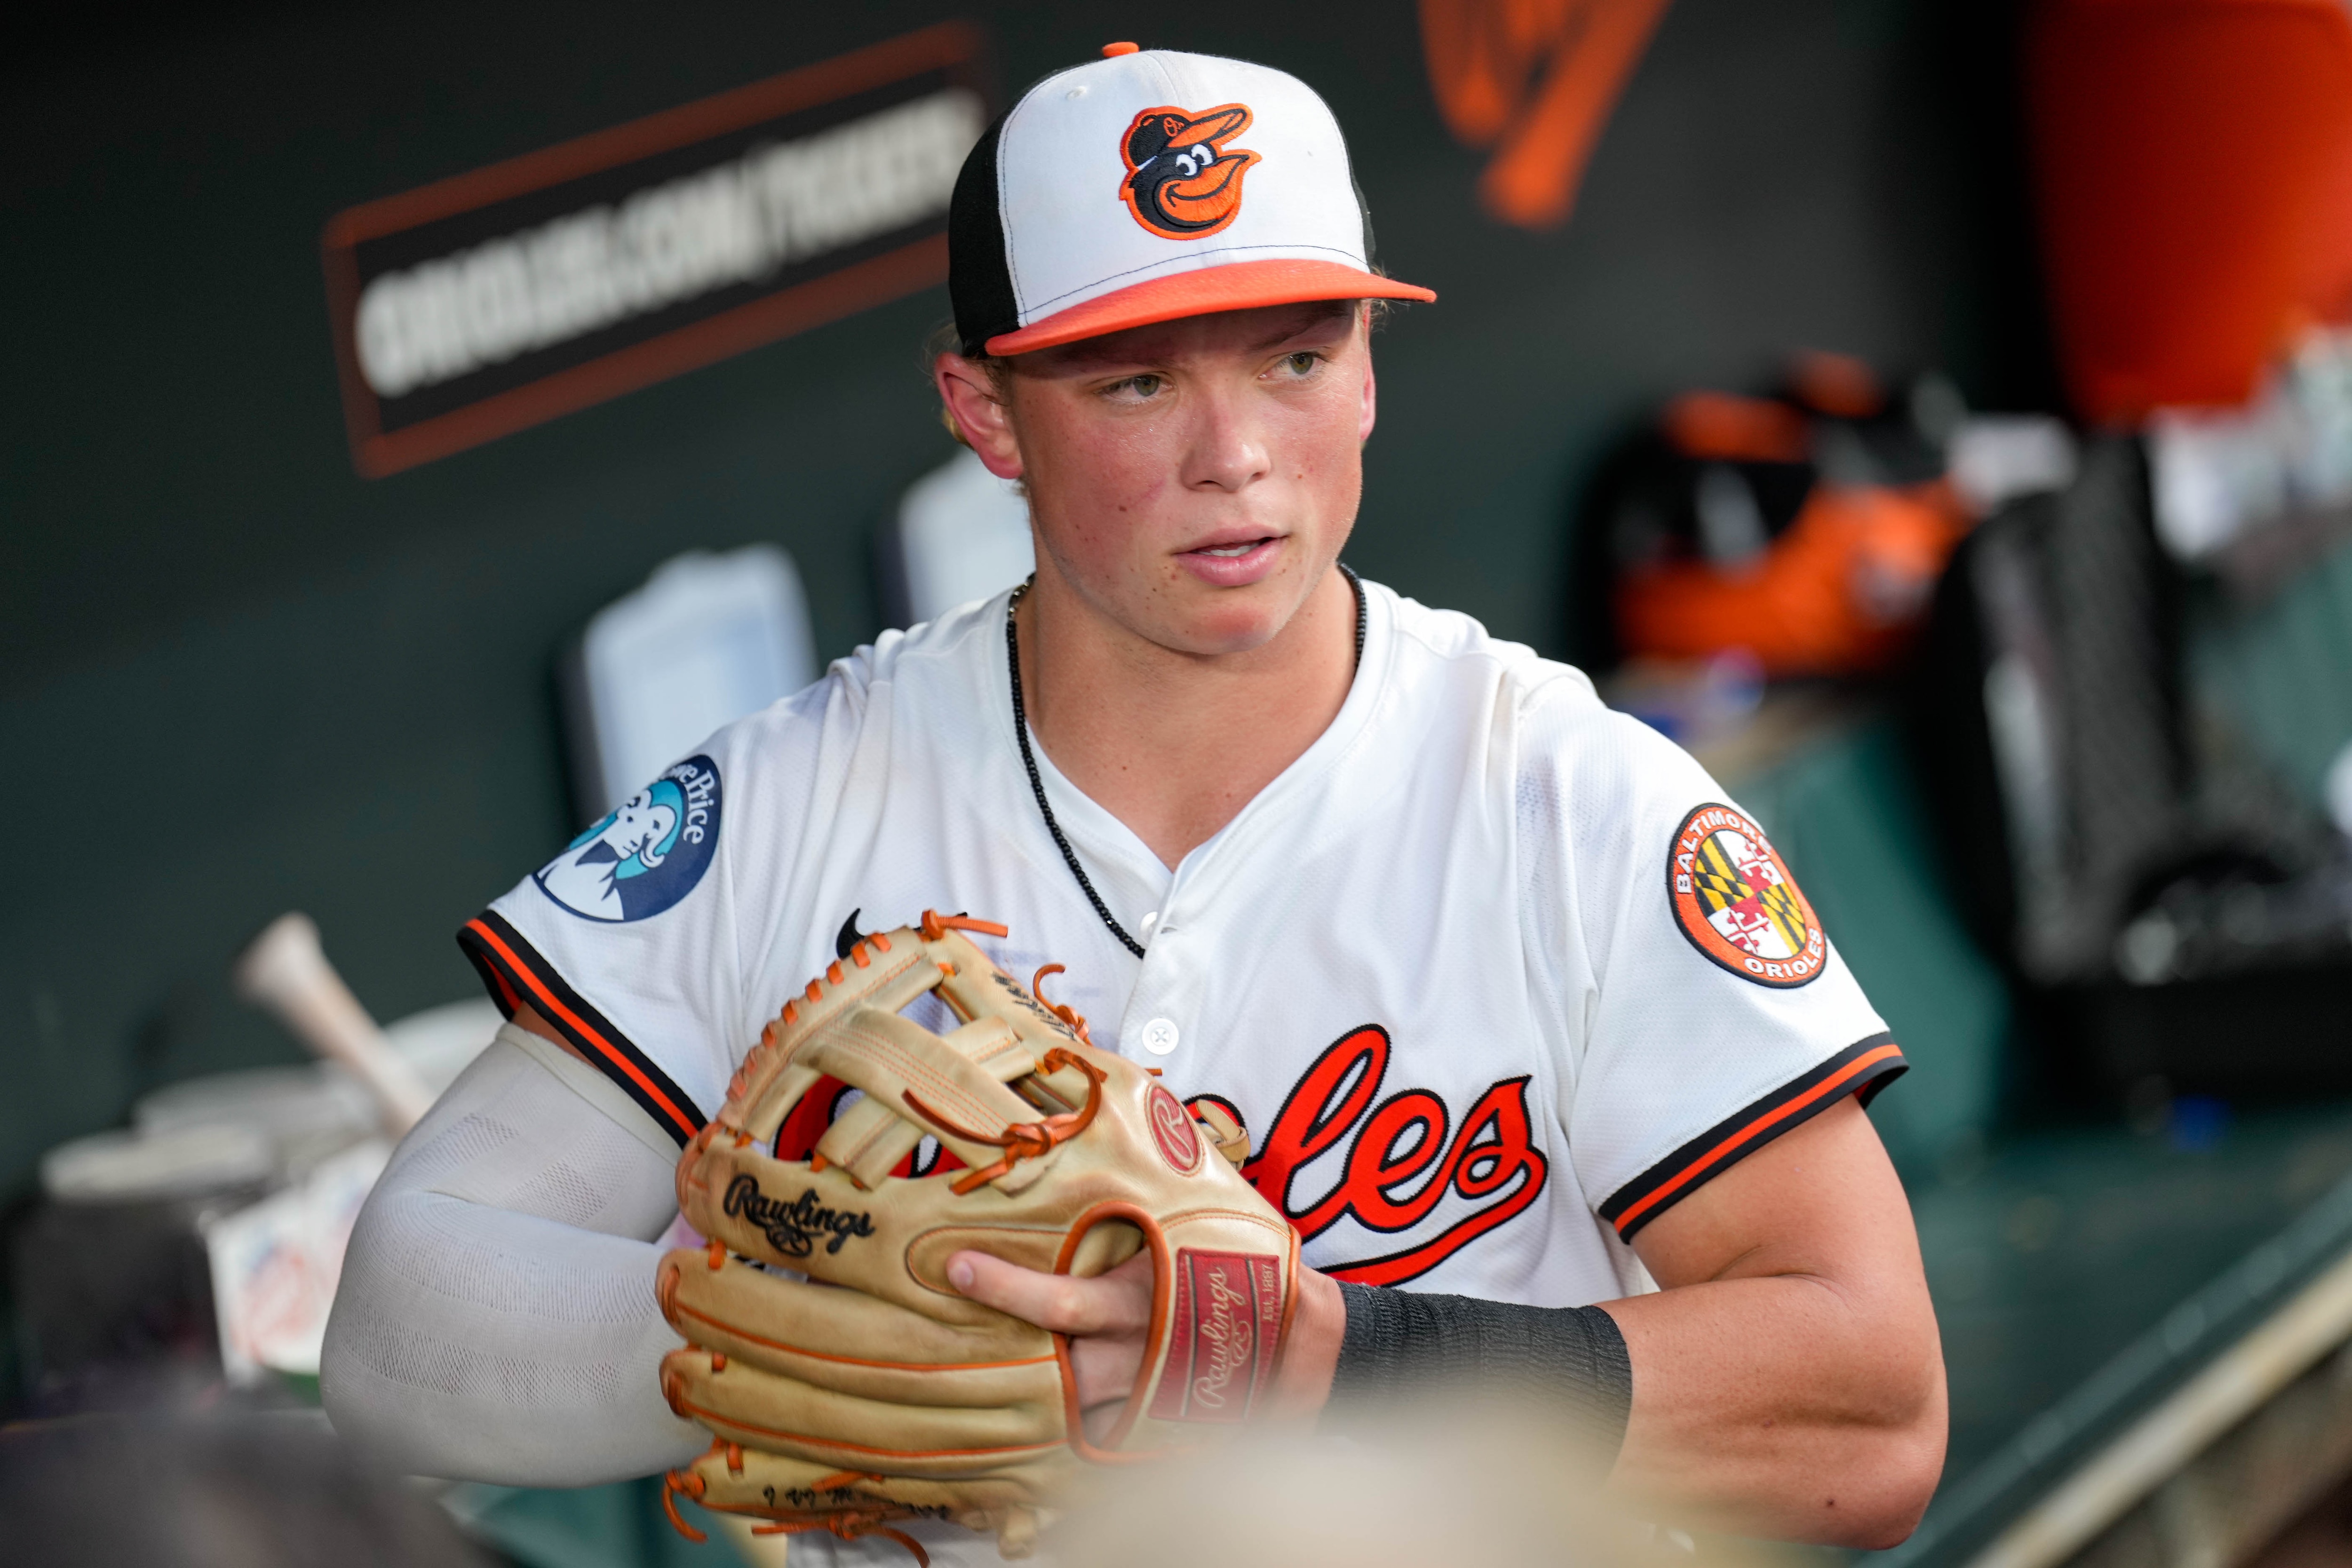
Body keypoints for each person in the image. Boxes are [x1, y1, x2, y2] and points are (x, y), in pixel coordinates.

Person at [322, 42, 1945, 1563]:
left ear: (1372, 369)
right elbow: (398, 1333)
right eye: (1137, 386)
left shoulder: (1567, 801)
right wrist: (815, 1302)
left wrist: (1354, 1366)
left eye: (1297, 358)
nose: (1237, 454)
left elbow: (1874, 1410)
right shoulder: (796, 803)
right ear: (983, 415)